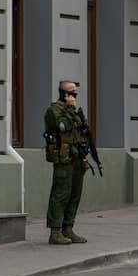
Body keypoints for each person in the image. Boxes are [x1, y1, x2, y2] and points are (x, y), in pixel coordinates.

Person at [44, 80, 90, 245]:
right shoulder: (54, 111)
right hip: (63, 160)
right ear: (64, 94)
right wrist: (70, 109)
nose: (74, 97)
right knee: (61, 195)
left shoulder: (73, 113)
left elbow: (79, 134)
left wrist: (84, 156)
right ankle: (55, 232)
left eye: (75, 94)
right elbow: (62, 126)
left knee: (74, 195)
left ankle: (68, 228)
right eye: (72, 94)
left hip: (76, 159)